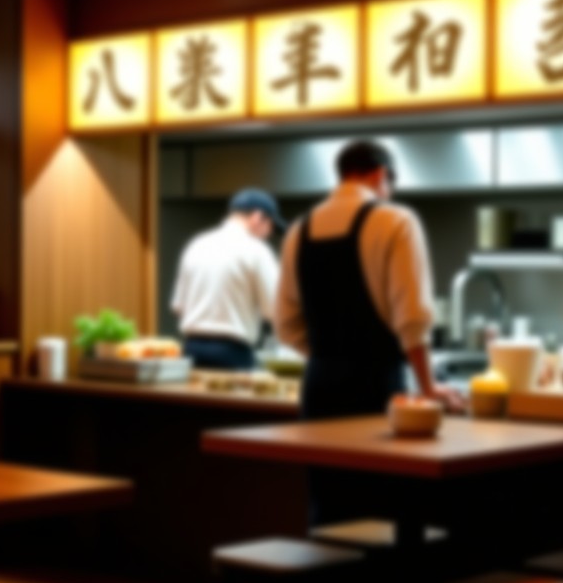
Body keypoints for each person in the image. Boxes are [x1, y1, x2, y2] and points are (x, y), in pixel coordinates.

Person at [275, 139, 463, 525]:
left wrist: (328, 356)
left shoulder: (298, 230)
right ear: (380, 174)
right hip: (375, 384)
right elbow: (412, 318)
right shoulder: (396, 220)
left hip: (319, 387)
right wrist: (428, 389)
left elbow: (285, 323)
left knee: (328, 503)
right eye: (390, 183)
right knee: (381, 507)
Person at [172, 188, 286, 371]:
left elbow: (179, 307)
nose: (268, 235)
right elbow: (276, 310)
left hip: (191, 350)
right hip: (231, 353)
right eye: (270, 227)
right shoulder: (256, 250)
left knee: (194, 400)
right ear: (257, 218)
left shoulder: (196, 245)